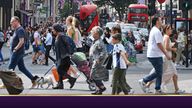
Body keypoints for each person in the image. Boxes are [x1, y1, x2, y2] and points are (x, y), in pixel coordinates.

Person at [145, 25, 185, 94]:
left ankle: (176, 89)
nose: (171, 30)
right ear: (166, 30)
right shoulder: (166, 37)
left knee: (165, 73)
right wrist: (173, 49)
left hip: (166, 59)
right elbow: (166, 48)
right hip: (166, 59)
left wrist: (171, 45)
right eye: (170, 29)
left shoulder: (165, 37)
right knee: (160, 73)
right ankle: (147, 84)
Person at [138, 16, 171, 94]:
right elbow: (159, 44)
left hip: (155, 54)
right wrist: (166, 53)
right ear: (157, 21)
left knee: (159, 72)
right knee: (159, 72)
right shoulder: (156, 31)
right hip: (155, 55)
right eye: (160, 20)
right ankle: (144, 80)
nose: (161, 21)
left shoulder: (154, 30)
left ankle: (157, 89)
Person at [9, 16, 39, 88]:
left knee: (10, 68)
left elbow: (21, 41)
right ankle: (33, 79)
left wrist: (16, 48)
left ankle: (8, 83)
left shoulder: (20, 30)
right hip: (18, 52)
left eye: (12, 22)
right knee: (22, 68)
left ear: (16, 21)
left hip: (17, 52)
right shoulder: (17, 30)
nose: (11, 23)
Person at [52, 24, 76, 89]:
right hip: (62, 57)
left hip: (64, 57)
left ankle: (71, 79)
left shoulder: (61, 36)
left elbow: (68, 45)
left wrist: (69, 53)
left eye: (53, 29)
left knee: (59, 70)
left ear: (56, 30)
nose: (52, 30)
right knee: (61, 71)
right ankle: (60, 84)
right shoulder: (59, 36)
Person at [89, 26, 108, 95]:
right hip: (94, 61)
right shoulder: (95, 41)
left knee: (93, 75)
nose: (91, 33)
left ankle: (102, 87)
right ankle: (98, 90)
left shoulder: (99, 42)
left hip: (97, 62)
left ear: (97, 34)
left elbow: (104, 52)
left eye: (93, 32)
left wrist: (98, 59)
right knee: (95, 76)